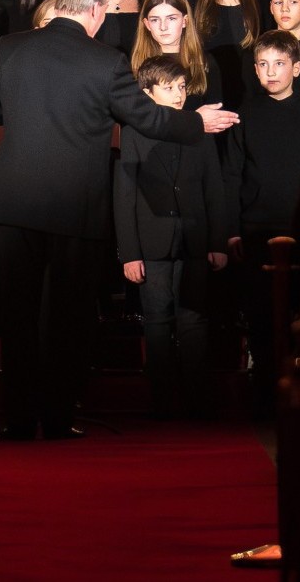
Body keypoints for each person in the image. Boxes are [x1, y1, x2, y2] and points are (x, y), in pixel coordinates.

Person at [0, 0, 237, 440]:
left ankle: (17, 419)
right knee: (67, 316)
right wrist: (196, 124)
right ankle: (55, 419)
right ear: (95, 9)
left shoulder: (11, 49)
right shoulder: (105, 61)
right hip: (75, 206)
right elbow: (149, 120)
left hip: (12, 203)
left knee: (17, 315)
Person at [222, 29, 300, 404]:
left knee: (299, 312)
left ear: (297, 68)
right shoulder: (246, 113)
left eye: (280, 64)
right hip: (257, 228)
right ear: (254, 69)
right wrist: (231, 230)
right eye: (263, 65)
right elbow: (232, 174)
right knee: (259, 314)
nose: (271, 72)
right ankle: (264, 390)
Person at [114, 55, 232, 418]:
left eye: (182, 87)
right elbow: (124, 195)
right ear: (148, 93)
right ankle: (163, 399)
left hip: (194, 238)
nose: (179, 95)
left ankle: (196, 397)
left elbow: (214, 188)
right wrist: (129, 253)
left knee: (194, 318)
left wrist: (217, 242)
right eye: (169, 88)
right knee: (158, 318)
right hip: (151, 241)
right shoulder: (134, 132)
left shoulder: (199, 131)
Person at [132, 0, 218, 109]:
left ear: (185, 21)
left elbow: (217, 117)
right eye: (155, 20)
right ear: (147, 24)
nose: (163, 27)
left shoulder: (204, 63)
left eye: (171, 18)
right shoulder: (136, 65)